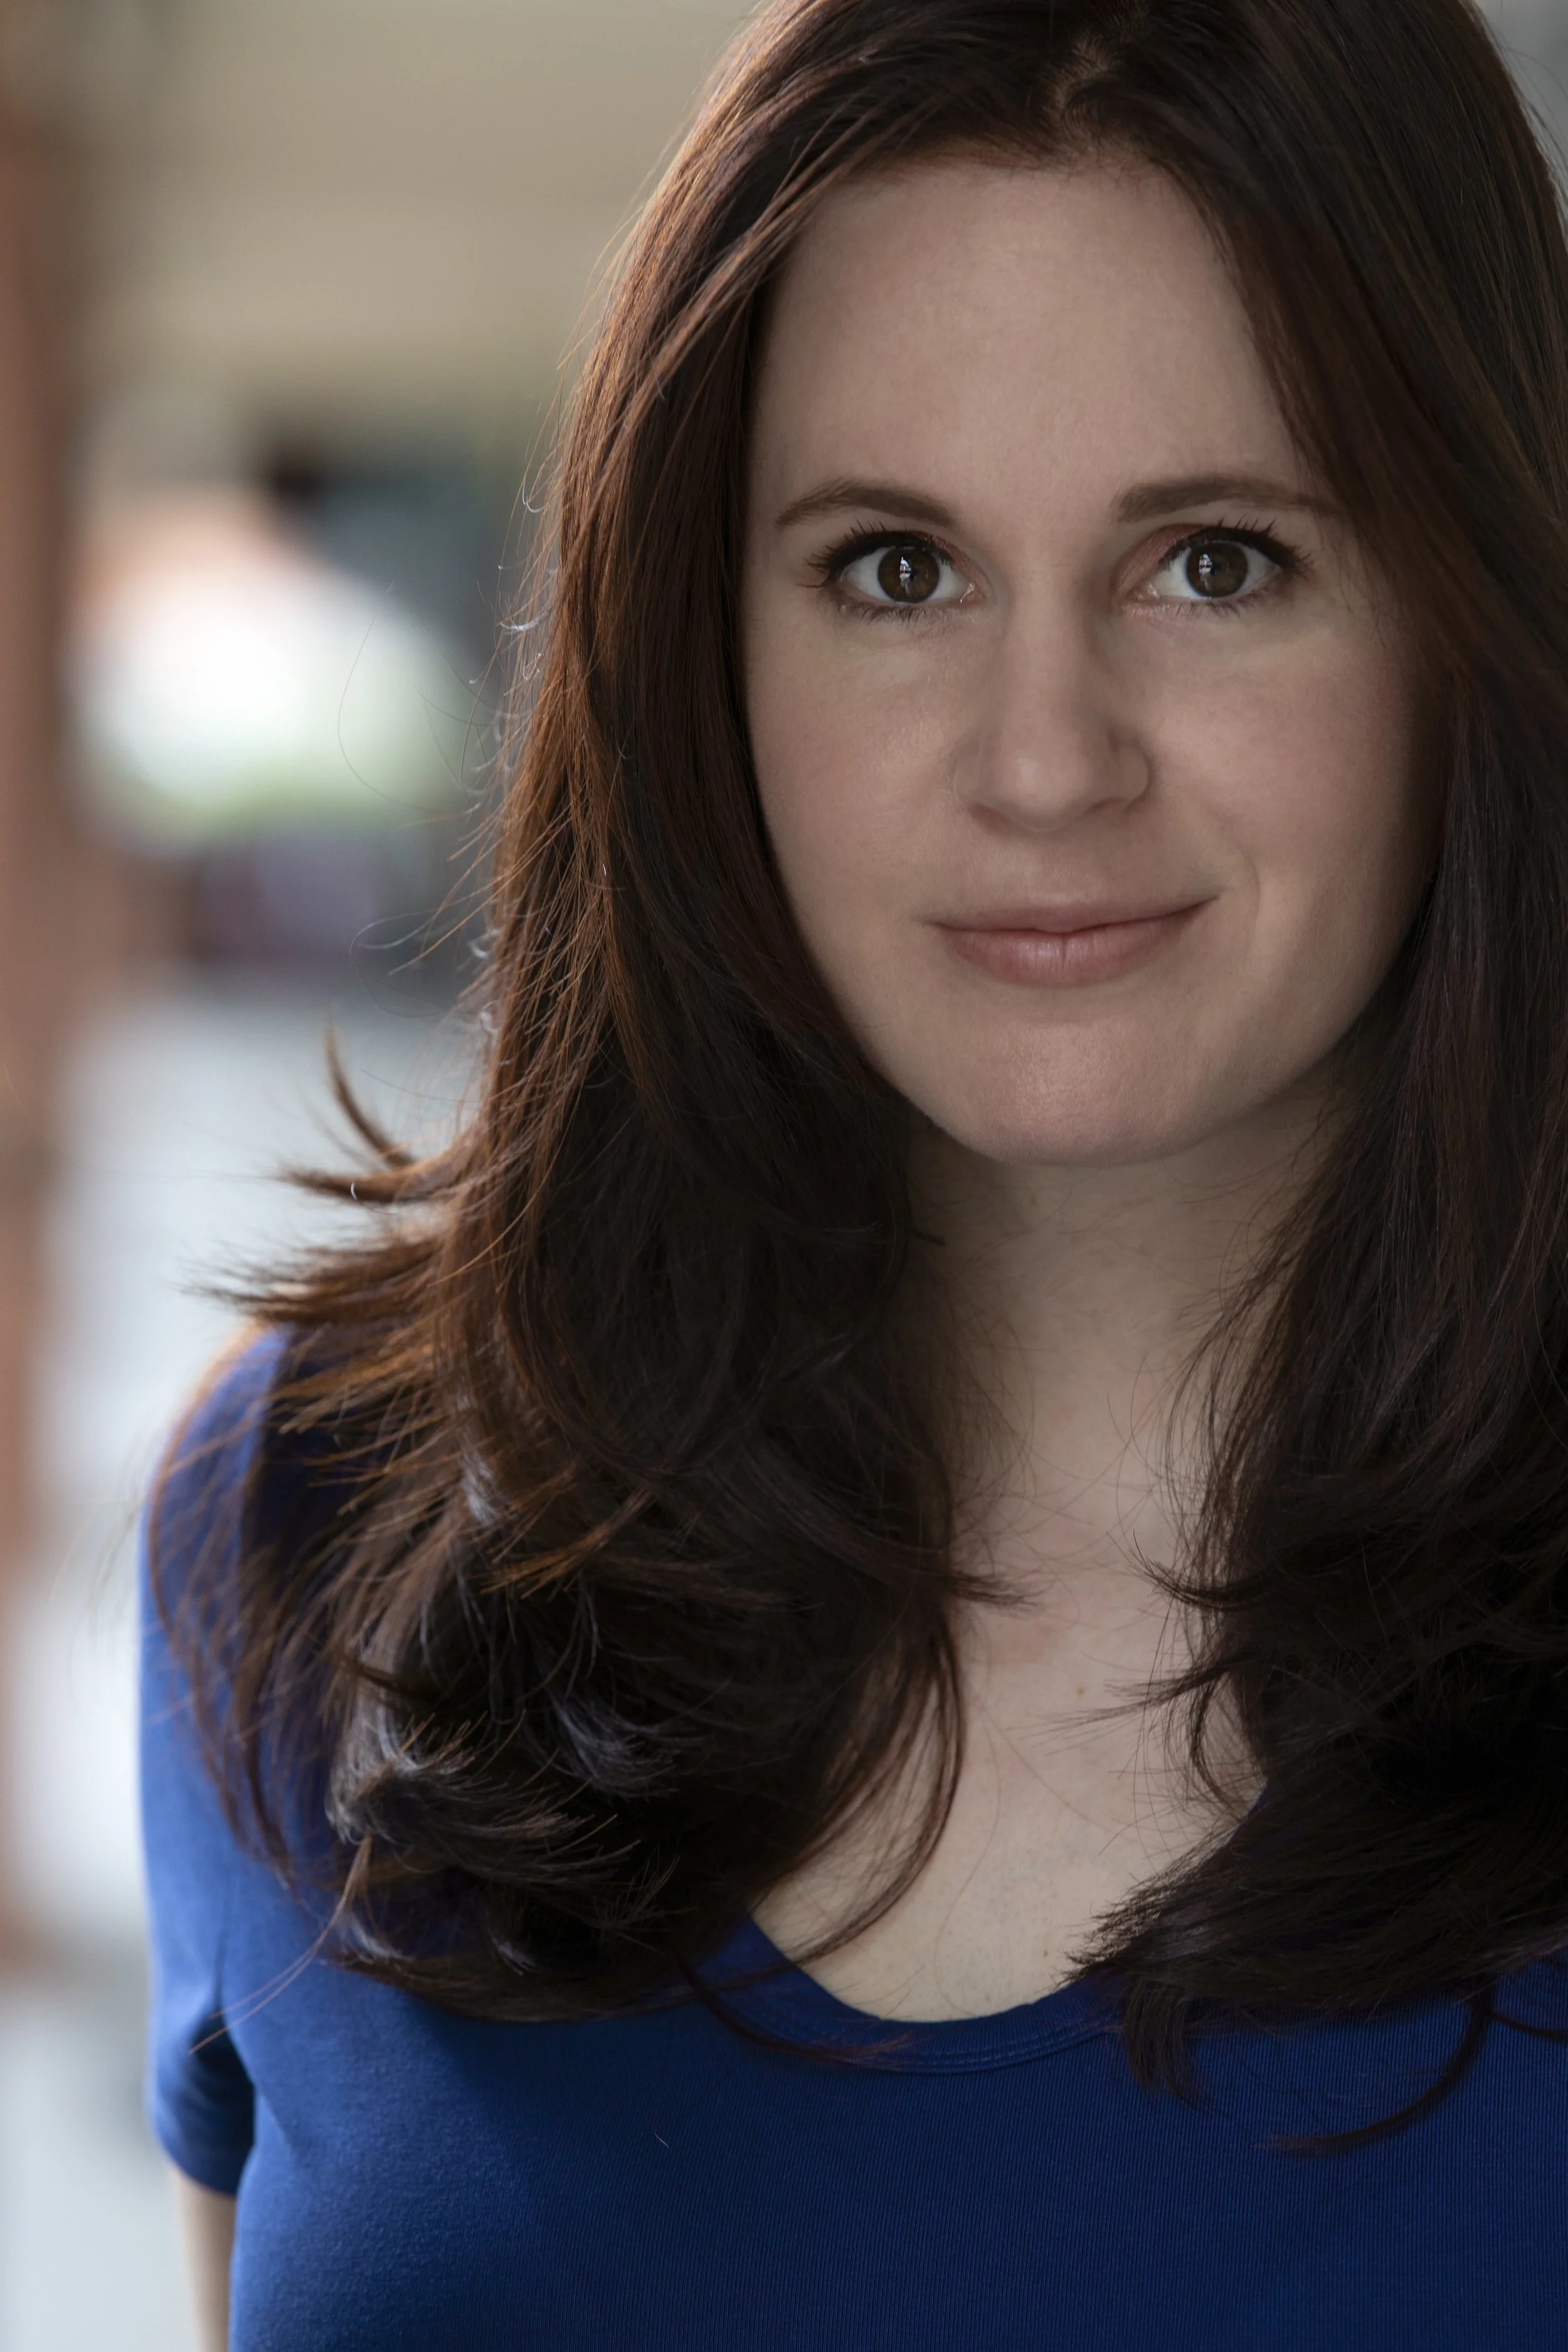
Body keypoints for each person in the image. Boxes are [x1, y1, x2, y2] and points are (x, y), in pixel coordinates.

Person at [142, 1, 1568, 2343]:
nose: (1041, 759)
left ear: (1464, 620)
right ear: (697, 648)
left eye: (1214, 561)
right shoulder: (308, 1511)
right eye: (894, 569)